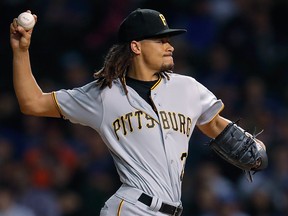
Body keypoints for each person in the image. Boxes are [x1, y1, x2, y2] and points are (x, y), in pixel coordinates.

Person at [10, 8, 266, 216]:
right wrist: (21, 51)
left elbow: (215, 125)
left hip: (172, 209)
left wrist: (251, 145)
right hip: (131, 207)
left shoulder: (187, 88)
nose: (170, 46)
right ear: (136, 46)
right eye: (161, 40)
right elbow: (32, 103)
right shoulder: (104, 94)